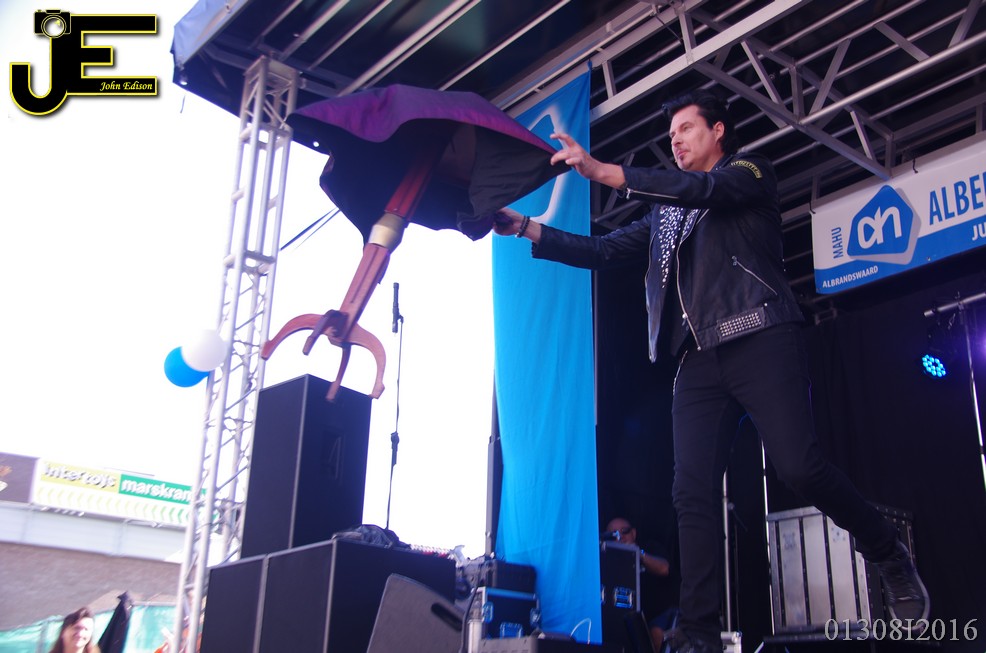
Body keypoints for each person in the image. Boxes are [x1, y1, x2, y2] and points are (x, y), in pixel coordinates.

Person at [494, 89, 930, 653]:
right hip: (697, 359)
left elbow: (701, 189)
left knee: (799, 468)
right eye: (671, 133)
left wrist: (602, 171)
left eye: (686, 128)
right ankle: (698, 632)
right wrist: (525, 227)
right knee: (691, 493)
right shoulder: (665, 215)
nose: (675, 140)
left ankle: (886, 548)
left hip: (761, 333)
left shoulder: (749, 172)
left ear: (718, 131)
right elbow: (603, 251)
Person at [604, 517, 675, 651]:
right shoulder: (606, 558)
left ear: (634, 533)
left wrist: (638, 553)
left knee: (656, 634)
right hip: (624, 617)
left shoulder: (649, 547)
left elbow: (664, 569)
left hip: (659, 613)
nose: (620, 537)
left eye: (625, 531)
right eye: (614, 534)